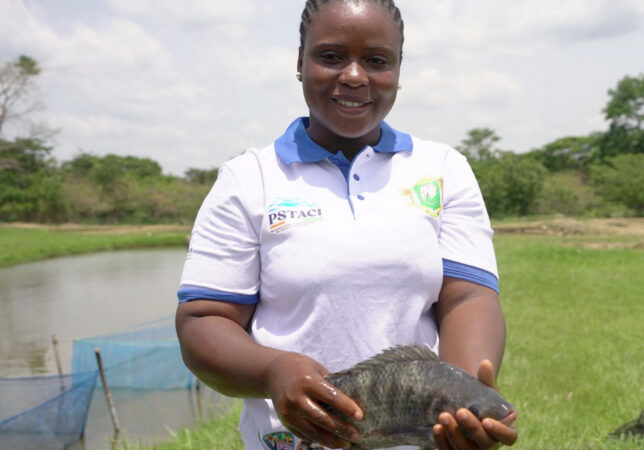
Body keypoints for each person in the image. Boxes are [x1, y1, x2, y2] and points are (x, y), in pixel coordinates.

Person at [175, 1, 518, 449]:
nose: (355, 76)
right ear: (300, 63)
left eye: (377, 61)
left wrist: (461, 402)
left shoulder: (442, 169)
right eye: (332, 56)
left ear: (398, 69)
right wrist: (272, 371)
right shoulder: (248, 178)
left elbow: (468, 297)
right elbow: (204, 320)